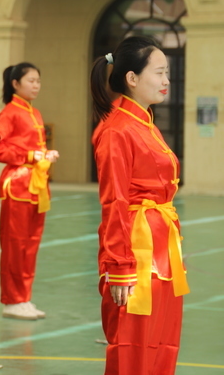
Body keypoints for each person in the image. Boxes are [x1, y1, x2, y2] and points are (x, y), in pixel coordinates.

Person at [91, 36, 189, 375]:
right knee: (133, 346)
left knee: (163, 340)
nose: (166, 82)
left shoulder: (144, 124)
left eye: (168, 75)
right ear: (131, 78)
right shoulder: (117, 130)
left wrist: (174, 245)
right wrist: (119, 266)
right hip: (136, 253)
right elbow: (114, 201)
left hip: (161, 249)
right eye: (159, 73)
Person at [0, 63, 59, 320]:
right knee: (14, 244)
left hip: (37, 184)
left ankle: (24, 297)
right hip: (17, 184)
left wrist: (44, 156)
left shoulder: (35, 113)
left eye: (38, 81)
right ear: (15, 84)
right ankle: (12, 299)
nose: (36, 85)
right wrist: (28, 155)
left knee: (31, 245)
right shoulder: (10, 113)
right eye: (30, 80)